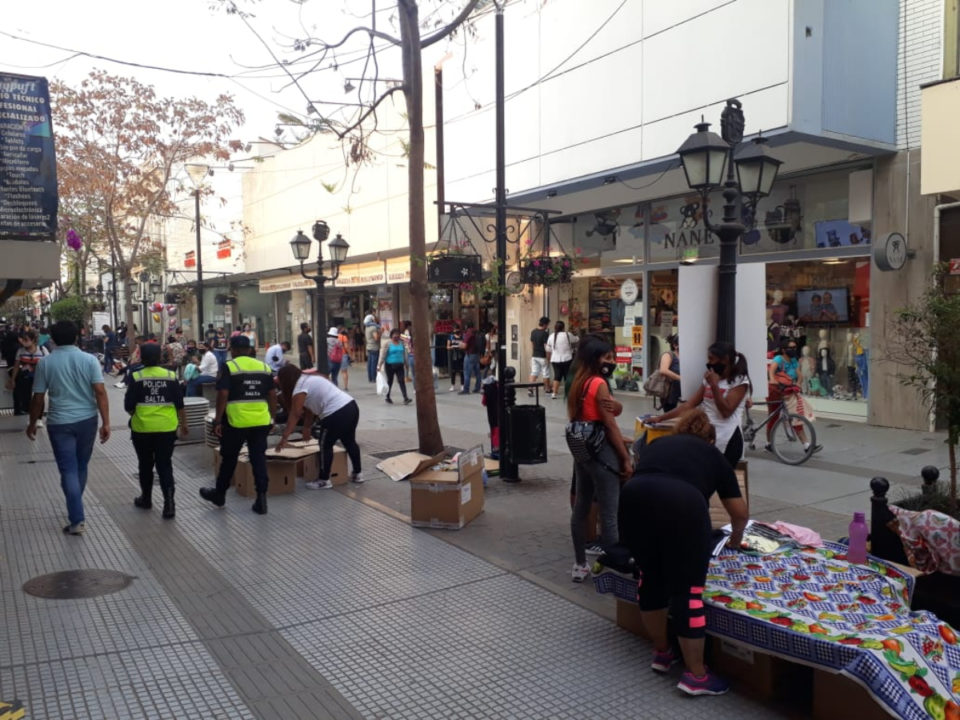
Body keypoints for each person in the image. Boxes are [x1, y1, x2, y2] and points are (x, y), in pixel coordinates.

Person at [620, 409, 749, 697]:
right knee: (688, 591)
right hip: (683, 504)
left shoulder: (658, 443)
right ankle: (696, 675)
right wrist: (735, 540)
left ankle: (662, 652)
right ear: (710, 439)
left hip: (633, 498)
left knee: (650, 577)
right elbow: (739, 513)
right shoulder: (713, 455)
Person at [26, 321, 111, 535]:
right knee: (80, 466)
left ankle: (76, 517)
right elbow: (100, 391)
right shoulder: (90, 360)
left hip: (59, 423)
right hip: (87, 421)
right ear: (76, 337)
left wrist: (32, 423)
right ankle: (75, 509)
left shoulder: (45, 363)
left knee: (68, 470)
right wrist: (106, 422)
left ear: (53, 339)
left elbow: (38, 397)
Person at [569, 335, 632, 582]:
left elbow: (606, 410)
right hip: (602, 452)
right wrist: (625, 458)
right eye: (607, 357)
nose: (612, 362)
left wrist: (618, 407)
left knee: (581, 507)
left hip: (582, 451)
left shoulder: (580, 381)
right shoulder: (599, 383)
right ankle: (615, 567)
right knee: (609, 513)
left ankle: (579, 564)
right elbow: (610, 424)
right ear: (596, 359)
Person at [199, 335, 277, 515]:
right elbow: (272, 395)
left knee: (229, 459)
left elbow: (223, 394)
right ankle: (261, 499)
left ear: (232, 350)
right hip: (260, 421)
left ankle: (219, 495)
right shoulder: (264, 367)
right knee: (258, 458)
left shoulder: (229, 367)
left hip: (236, 422)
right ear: (249, 350)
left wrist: (218, 420)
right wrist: (272, 418)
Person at [649, 341, 751, 468]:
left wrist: (714, 386)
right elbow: (689, 405)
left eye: (712, 359)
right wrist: (661, 418)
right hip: (707, 435)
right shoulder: (709, 379)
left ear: (725, 359)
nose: (709, 363)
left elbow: (726, 412)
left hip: (728, 438)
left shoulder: (739, 381)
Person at [124, 342, 189, 519]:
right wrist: (184, 424)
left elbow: (128, 406)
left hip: (142, 429)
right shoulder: (170, 376)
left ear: (142, 358)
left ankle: (146, 499)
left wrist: (138, 413)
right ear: (160, 358)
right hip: (167, 428)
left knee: (145, 464)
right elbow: (180, 404)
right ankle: (169, 505)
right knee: (164, 464)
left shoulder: (136, 376)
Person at [275, 365, 363, 489]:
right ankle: (358, 474)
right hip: (350, 406)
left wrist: (284, 438)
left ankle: (324, 480)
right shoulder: (310, 379)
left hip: (335, 413)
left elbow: (295, 414)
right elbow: (310, 409)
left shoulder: (299, 388)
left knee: (325, 445)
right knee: (349, 441)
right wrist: (307, 427)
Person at [768, 338, 818, 452]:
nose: (793, 350)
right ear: (783, 350)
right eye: (790, 348)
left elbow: (799, 375)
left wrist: (798, 384)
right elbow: (771, 370)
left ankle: (806, 445)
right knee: (773, 418)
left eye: (795, 347)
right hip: (776, 391)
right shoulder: (779, 358)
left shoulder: (794, 360)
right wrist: (772, 380)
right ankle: (769, 443)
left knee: (796, 416)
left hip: (788, 392)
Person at [7, 329, 48, 418]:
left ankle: (39, 417)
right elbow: (16, 366)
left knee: (39, 397)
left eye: (26, 340)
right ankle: (30, 414)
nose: (23, 342)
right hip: (25, 377)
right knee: (26, 397)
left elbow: (49, 364)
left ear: (33, 340)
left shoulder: (42, 350)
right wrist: (13, 379)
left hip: (39, 377)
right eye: (23, 339)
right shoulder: (20, 351)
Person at [378, 328, 411, 405]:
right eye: (394, 334)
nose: (396, 336)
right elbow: (383, 355)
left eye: (397, 334)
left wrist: (406, 364)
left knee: (401, 381)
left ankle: (405, 398)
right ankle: (387, 397)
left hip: (400, 365)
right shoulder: (387, 344)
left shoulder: (402, 343)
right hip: (389, 366)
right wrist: (379, 365)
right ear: (391, 335)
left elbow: (405, 354)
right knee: (390, 381)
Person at [546, 321, 577, 400]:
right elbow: (576, 339)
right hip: (567, 358)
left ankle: (554, 393)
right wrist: (575, 334)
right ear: (563, 327)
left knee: (557, 376)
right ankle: (568, 393)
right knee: (567, 376)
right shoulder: (568, 335)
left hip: (555, 359)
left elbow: (548, 349)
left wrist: (548, 359)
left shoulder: (551, 336)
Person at [657, 334, 682, 412]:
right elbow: (663, 370)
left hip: (683, 393)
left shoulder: (686, 356)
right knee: (671, 414)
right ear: (675, 345)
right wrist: (681, 378)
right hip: (670, 393)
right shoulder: (668, 355)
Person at [529, 316, 551, 396]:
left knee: (534, 372)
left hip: (534, 355)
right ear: (545, 324)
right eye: (547, 324)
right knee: (546, 373)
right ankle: (547, 389)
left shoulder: (533, 332)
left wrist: (533, 353)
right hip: (542, 356)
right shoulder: (545, 334)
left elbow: (532, 344)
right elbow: (546, 347)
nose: (547, 326)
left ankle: (530, 389)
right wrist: (548, 358)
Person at [460, 320, 483, 394]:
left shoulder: (468, 333)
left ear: (466, 326)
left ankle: (466, 389)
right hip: (477, 354)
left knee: (467, 372)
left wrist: (460, 345)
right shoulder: (477, 332)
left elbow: (464, 346)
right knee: (477, 373)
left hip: (470, 354)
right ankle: (477, 388)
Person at [447, 325, 464, 392]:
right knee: (453, 371)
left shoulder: (462, 336)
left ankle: (462, 385)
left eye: (457, 329)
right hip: (453, 355)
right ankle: (452, 385)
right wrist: (452, 347)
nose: (456, 331)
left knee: (461, 371)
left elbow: (464, 345)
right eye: (455, 329)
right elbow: (447, 347)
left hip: (461, 355)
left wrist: (461, 346)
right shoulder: (451, 337)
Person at [364, 314, 381, 382]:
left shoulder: (367, 327)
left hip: (369, 347)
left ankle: (370, 378)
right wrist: (381, 332)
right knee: (374, 363)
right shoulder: (373, 327)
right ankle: (374, 378)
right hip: (374, 347)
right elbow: (376, 338)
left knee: (370, 363)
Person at [338, 326, 351, 391]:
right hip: (343, 354)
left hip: (335, 356)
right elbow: (346, 347)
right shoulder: (344, 337)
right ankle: (345, 386)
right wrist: (350, 354)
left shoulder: (335, 337)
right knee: (344, 371)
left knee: (334, 372)